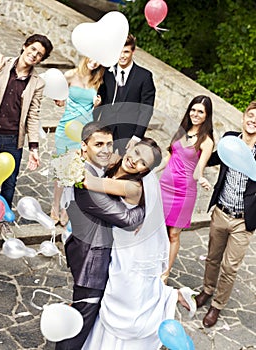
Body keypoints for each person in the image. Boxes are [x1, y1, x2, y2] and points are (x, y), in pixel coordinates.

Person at [82, 137, 198, 349]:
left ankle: (170, 298)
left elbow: (89, 182)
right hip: (120, 240)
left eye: (143, 162)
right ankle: (173, 295)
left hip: (130, 249)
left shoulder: (132, 187)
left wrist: (67, 167)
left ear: (146, 170)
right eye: (135, 153)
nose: (135, 161)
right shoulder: (120, 163)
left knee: (125, 297)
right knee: (126, 291)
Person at [55, 121, 145, 350]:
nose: (105, 149)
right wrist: (148, 207)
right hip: (91, 263)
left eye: (109, 144)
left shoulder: (94, 169)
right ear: (84, 146)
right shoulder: (85, 183)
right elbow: (127, 219)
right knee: (78, 326)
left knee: (82, 315)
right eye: (98, 144)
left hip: (87, 249)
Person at [195, 101, 256, 327]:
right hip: (221, 211)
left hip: (244, 220)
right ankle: (206, 291)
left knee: (230, 267)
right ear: (243, 117)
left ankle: (217, 306)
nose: (253, 121)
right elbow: (210, 157)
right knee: (212, 258)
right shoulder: (231, 139)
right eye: (251, 116)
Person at [0, 34, 53, 239]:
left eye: (40, 54)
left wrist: (34, 148)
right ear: (24, 46)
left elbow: (33, 114)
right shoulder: (1, 65)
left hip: (12, 139)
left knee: (9, 182)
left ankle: (2, 219)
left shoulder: (38, 83)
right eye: (33, 49)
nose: (34, 55)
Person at [158, 95, 214, 281]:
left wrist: (202, 180)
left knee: (173, 234)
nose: (195, 114)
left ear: (207, 116)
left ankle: (165, 272)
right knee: (158, 229)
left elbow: (199, 170)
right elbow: (168, 157)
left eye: (200, 112)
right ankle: (153, 262)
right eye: (193, 110)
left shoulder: (206, 141)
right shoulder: (182, 131)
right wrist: (149, 170)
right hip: (164, 187)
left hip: (184, 193)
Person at [51, 56, 104, 227]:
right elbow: (57, 95)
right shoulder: (70, 75)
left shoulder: (98, 80)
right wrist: (59, 100)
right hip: (65, 128)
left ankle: (66, 208)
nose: (94, 62)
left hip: (83, 132)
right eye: (93, 57)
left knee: (74, 172)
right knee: (61, 170)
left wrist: (96, 105)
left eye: (99, 60)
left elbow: (91, 109)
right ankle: (55, 205)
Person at [94, 33, 156, 156]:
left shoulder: (144, 76)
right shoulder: (106, 72)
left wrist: (137, 137)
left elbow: (146, 109)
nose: (122, 56)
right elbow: (100, 99)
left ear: (133, 51)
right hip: (105, 129)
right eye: (119, 52)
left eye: (126, 52)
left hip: (129, 133)